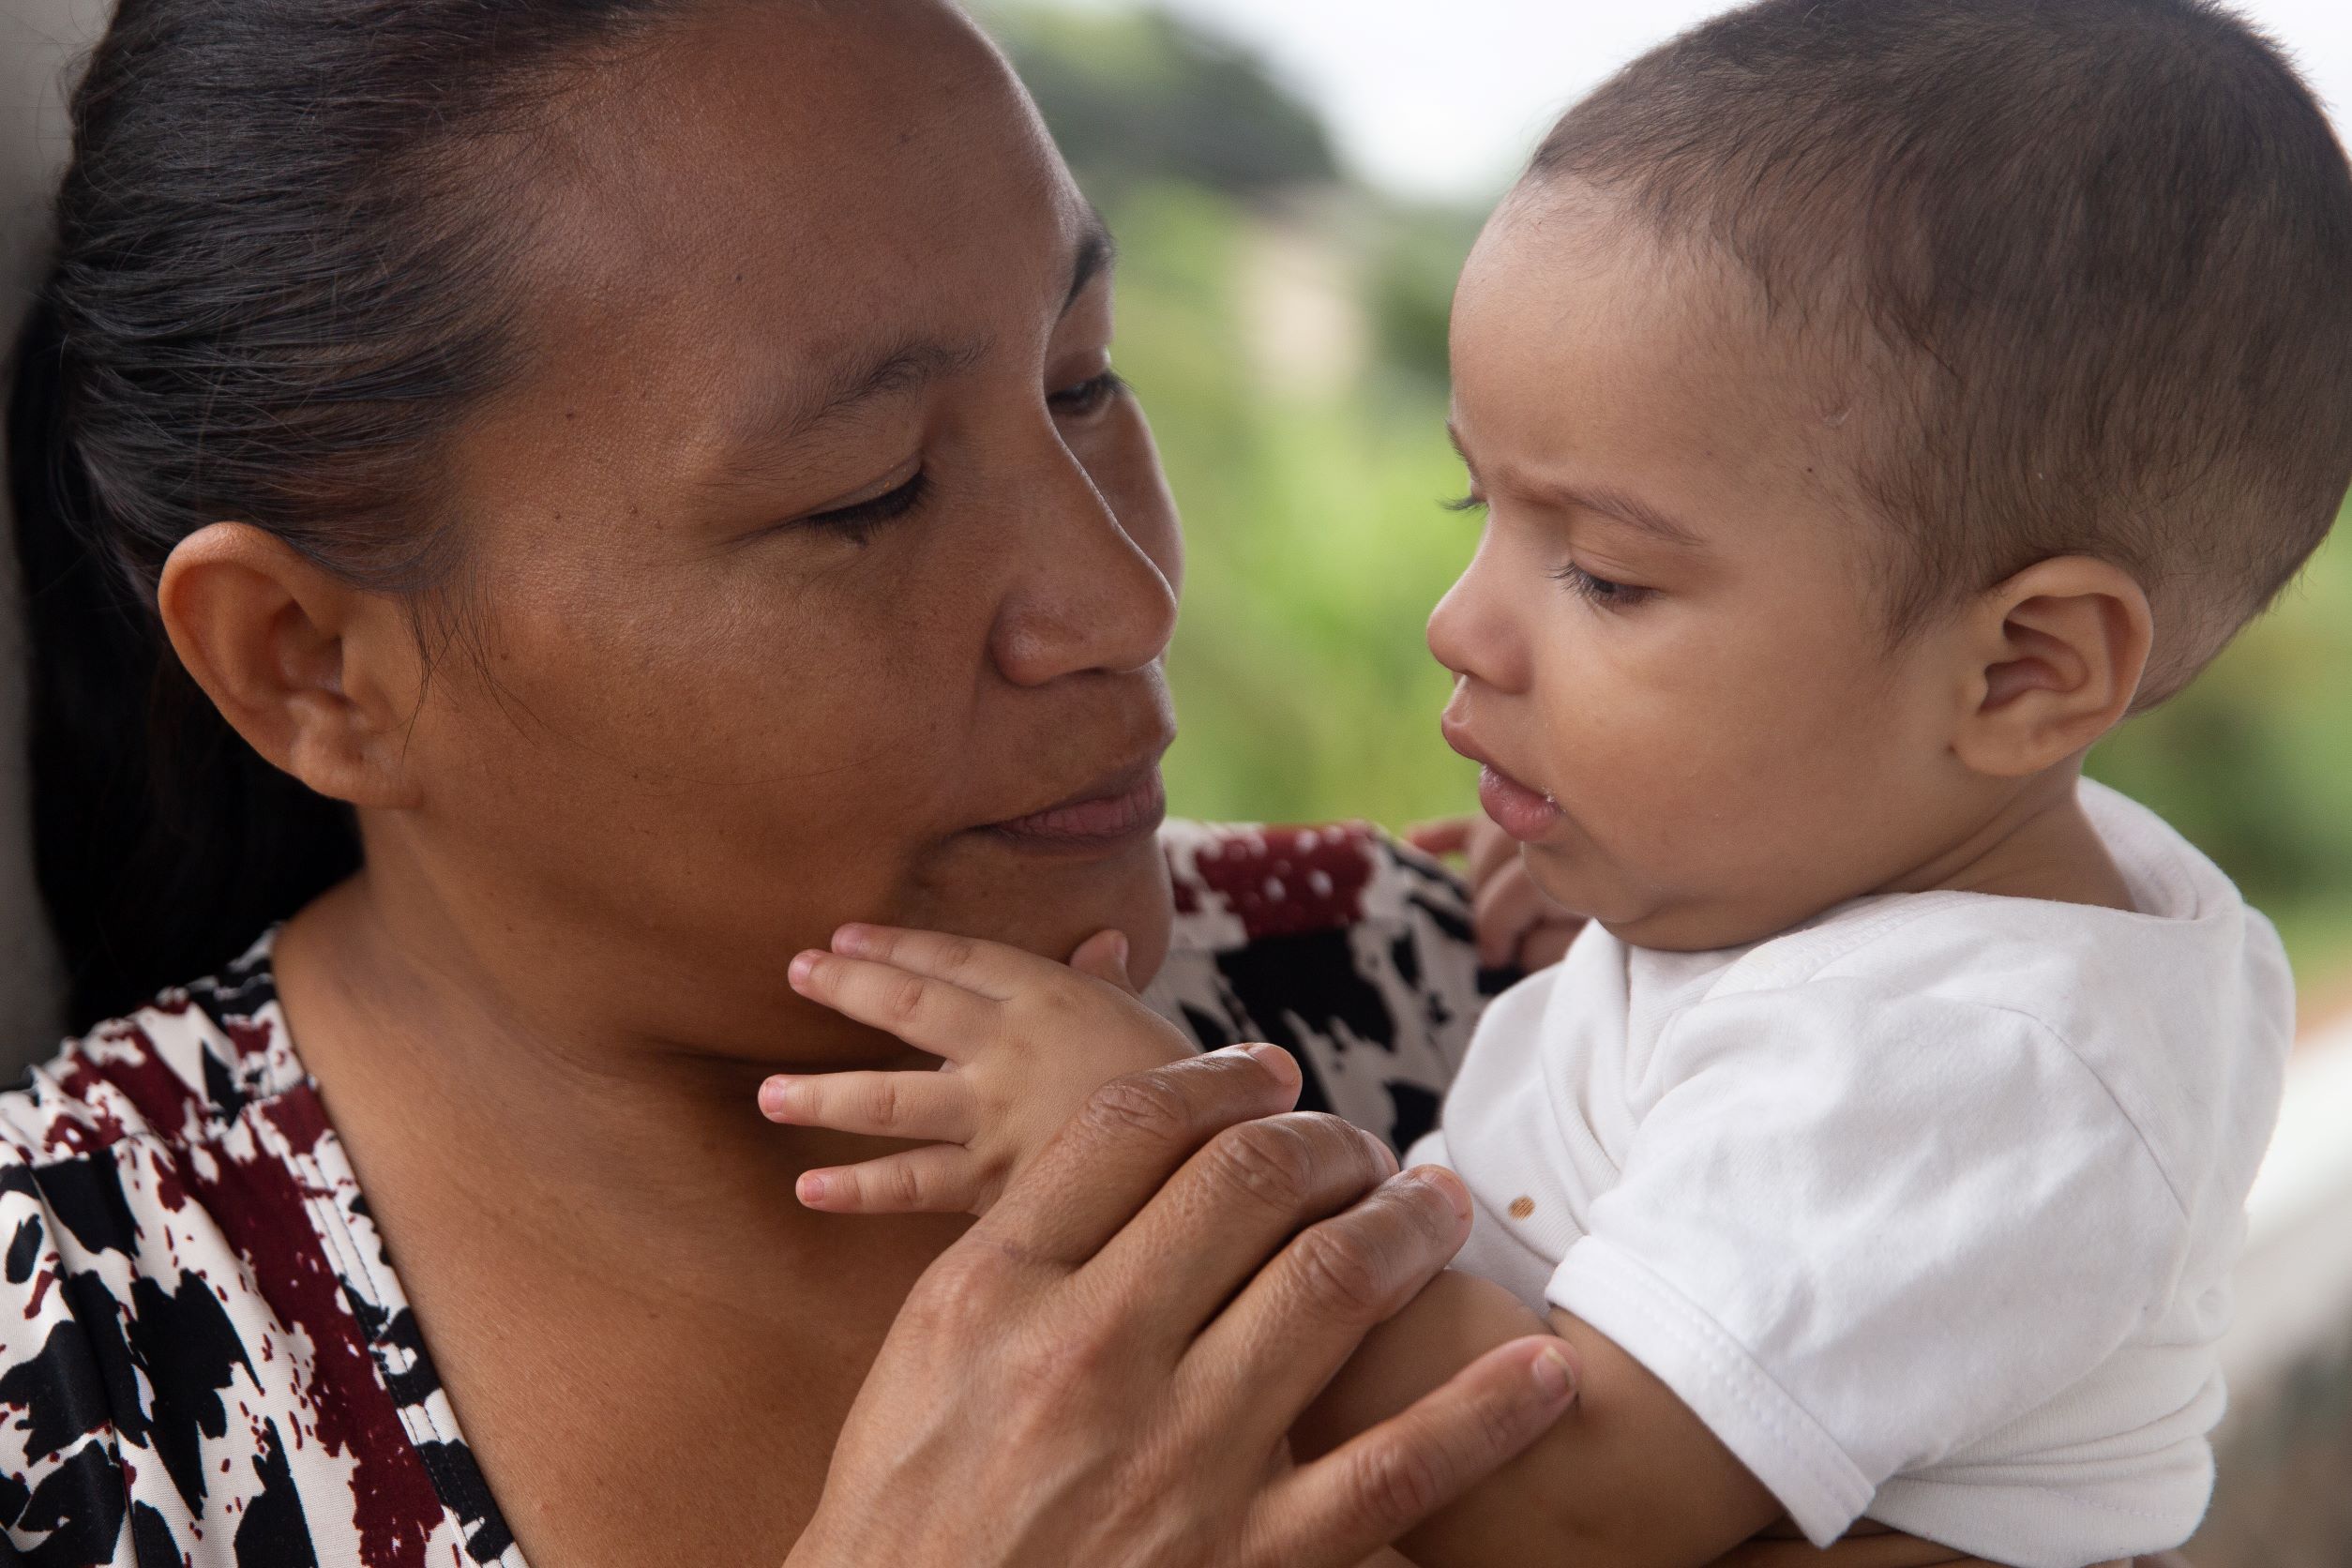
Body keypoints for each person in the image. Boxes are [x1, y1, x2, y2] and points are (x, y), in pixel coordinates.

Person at [756, 2, 2352, 1565]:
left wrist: (1148, 1161)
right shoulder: (1882, 892)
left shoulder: (1975, 1062)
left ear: (2026, 672)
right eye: (1477, 503)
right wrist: (1642, 927)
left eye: (1603, 576)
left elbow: (1562, 1497)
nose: (1461, 622)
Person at [0, 0, 1592, 1561]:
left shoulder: (1462, 1006)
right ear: (310, 664)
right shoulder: (79, 1353)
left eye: (1083, 382)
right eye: (871, 497)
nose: (1122, 606)